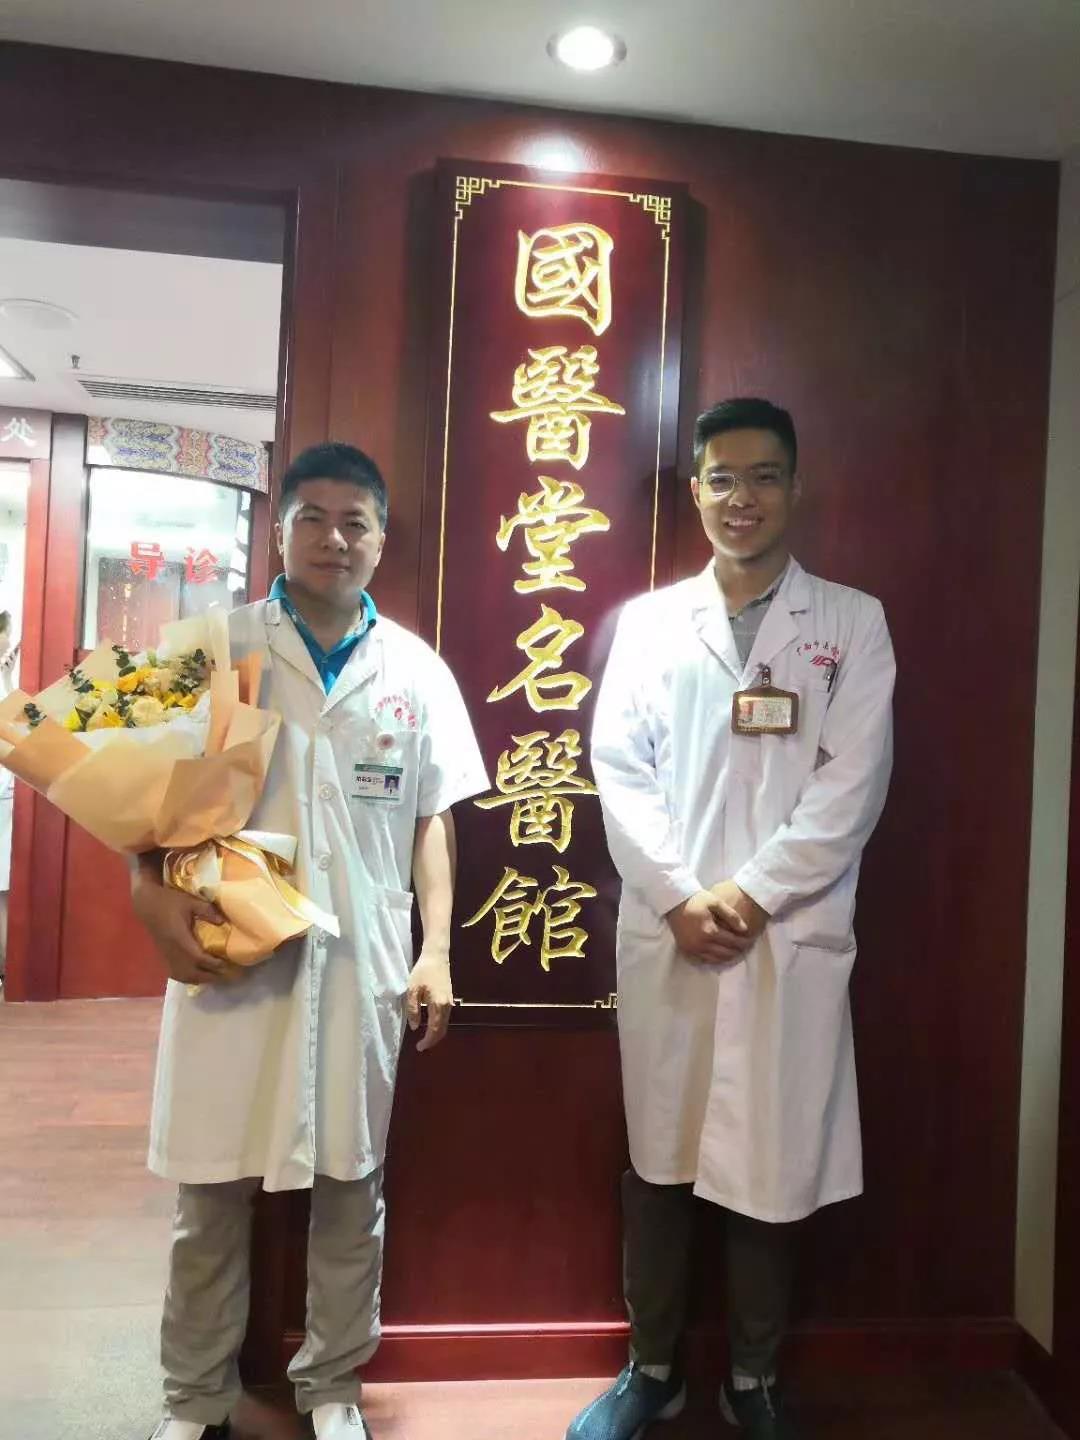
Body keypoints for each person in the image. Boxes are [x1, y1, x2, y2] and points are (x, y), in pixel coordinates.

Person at [132, 443, 488, 1440]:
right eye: (314, 519)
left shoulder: (415, 669)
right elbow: (133, 796)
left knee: (349, 1187)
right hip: (230, 956)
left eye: (355, 521)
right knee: (211, 1189)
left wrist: (436, 950)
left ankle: (332, 1384)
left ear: (381, 537)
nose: (335, 538)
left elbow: (434, 818)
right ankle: (194, 1396)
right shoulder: (210, 646)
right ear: (279, 531)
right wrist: (146, 898)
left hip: (360, 963)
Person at [567, 399, 895, 1440]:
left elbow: (851, 788)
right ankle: (651, 1369)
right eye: (721, 478)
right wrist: (678, 895)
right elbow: (619, 772)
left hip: (782, 937)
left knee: (773, 1161)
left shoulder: (851, 623)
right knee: (659, 1157)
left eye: (762, 476)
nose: (740, 497)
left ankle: (753, 1381)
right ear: (696, 491)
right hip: (673, 935)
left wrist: (749, 895)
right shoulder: (651, 623)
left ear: (795, 487)